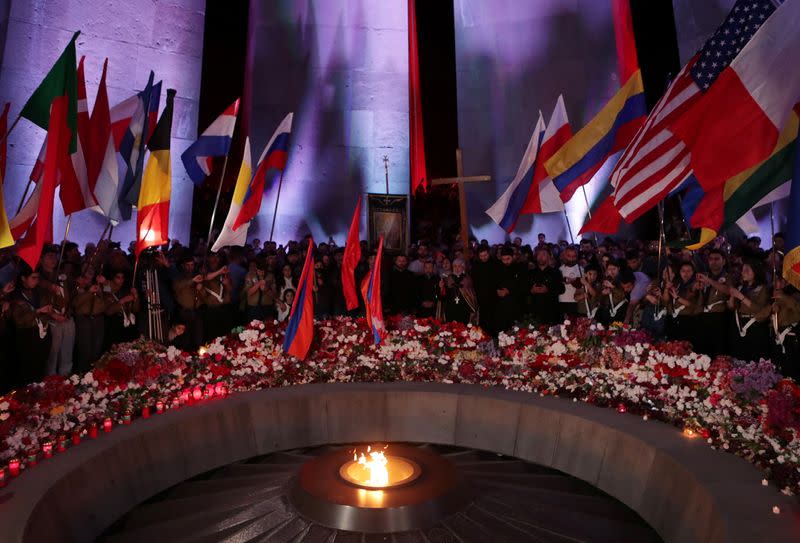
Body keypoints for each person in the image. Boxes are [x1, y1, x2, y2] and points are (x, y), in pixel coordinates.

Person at [11, 266, 53, 386]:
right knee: (27, 373)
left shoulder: (38, 291)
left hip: (40, 337)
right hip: (25, 338)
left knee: (40, 370)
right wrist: (37, 311)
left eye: (38, 278)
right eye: (33, 278)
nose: (36, 281)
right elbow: (19, 320)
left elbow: (46, 310)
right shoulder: (16, 295)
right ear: (23, 278)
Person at [728, 260, 771, 362]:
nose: (743, 272)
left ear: (756, 271)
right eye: (742, 270)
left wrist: (741, 296)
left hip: (755, 325)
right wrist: (732, 296)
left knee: (754, 357)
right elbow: (731, 307)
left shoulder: (763, 288)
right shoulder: (741, 287)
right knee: (740, 356)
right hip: (740, 324)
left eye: (747, 270)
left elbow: (758, 309)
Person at [695, 248, 731, 356]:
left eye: (717, 259)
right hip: (703, 316)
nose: (713, 261)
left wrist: (709, 281)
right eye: (710, 259)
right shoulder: (704, 275)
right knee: (703, 351)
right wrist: (696, 287)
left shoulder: (728, 276)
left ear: (723, 261)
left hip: (720, 317)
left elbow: (728, 290)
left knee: (719, 351)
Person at [72, 270, 107, 373]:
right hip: (84, 320)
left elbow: (109, 296)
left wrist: (103, 287)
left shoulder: (99, 284)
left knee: (97, 351)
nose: (90, 271)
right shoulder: (77, 284)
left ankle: (95, 377)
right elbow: (75, 303)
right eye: (88, 268)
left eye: (92, 268)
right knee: (85, 351)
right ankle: (82, 377)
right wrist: (88, 292)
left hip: (98, 319)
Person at [664, 261, 702, 345]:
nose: (686, 273)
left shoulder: (696, 285)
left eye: (689, 271)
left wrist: (677, 297)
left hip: (687, 320)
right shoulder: (676, 283)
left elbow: (692, 305)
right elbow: (666, 301)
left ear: (693, 272)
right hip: (672, 318)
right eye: (683, 271)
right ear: (680, 272)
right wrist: (666, 289)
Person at [490, 246, 525, 335]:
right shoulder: (496, 268)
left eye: (508, 258)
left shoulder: (520, 268)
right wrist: (496, 291)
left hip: (515, 306)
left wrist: (509, 291)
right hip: (500, 307)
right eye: (503, 259)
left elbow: (523, 286)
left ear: (513, 257)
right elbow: (491, 284)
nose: (506, 261)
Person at [172, 256, 204, 351]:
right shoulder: (178, 277)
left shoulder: (198, 275)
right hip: (184, 312)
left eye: (192, 265)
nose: (190, 267)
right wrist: (192, 281)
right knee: (185, 339)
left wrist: (200, 289)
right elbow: (177, 286)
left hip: (197, 311)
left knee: (198, 337)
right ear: (183, 266)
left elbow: (204, 296)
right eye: (188, 265)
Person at [104, 271, 140, 349]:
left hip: (127, 330)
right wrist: (123, 300)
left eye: (122, 277)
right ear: (112, 278)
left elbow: (136, 309)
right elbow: (108, 311)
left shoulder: (127, 290)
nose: (121, 280)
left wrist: (136, 297)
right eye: (118, 277)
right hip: (114, 329)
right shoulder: (107, 290)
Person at [528, 246, 564, 324]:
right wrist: (531, 290)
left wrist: (548, 290)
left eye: (544, 254)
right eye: (539, 255)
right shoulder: (530, 273)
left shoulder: (555, 272)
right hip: (535, 310)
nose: (541, 257)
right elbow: (524, 289)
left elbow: (561, 289)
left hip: (551, 310)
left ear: (549, 256)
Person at [439, 258, 478, 325]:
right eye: (455, 266)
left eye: (459, 266)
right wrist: (441, 287)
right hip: (450, 309)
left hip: (464, 309)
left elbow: (471, 296)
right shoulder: (448, 278)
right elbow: (443, 296)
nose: (457, 268)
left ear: (463, 267)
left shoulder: (467, 279)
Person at [557, 246, 581, 318]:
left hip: (576, 302)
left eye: (573, 256)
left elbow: (582, 284)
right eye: (568, 256)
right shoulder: (559, 269)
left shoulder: (580, 269)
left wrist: (573, 281)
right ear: (564, 256)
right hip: (562, 300)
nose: (571, 258)